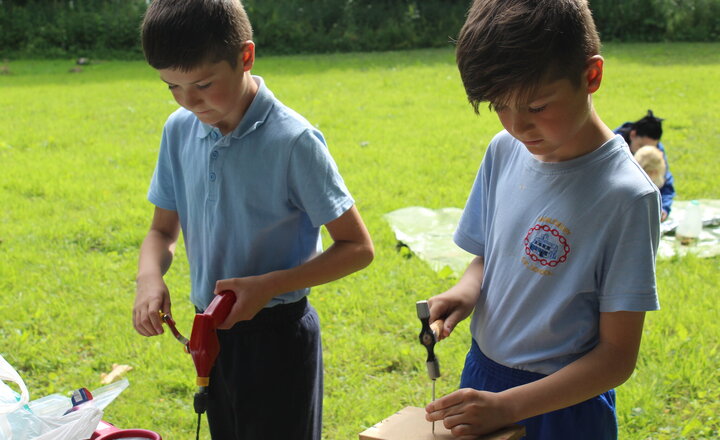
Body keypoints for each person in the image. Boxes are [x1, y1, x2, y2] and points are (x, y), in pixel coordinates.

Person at [132, 1, 374, 439]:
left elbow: (358, 248)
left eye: (203, 84)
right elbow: (161, 230)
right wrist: (149, 277)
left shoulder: (293, 141)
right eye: (172, 86)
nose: (189, 101)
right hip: (210, 331)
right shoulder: (179, 129)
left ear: (245, 57)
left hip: (277, 335)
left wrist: (269, 286)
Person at [423, 1, 661, 439]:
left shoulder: (626, 197)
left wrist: (509, 406)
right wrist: (465, 291)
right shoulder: (503, 150)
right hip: (484, 377)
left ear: (591, 76)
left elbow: (616, 357)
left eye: (536, 106)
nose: (518, 126)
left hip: (564, 404)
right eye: (500, 106)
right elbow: (488, 257)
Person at [615, 110, 675, 221]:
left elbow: (665, 181)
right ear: (633, 135)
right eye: (641, 147)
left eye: (651, 148)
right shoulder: (612, 145)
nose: (645, 153)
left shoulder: (655, 151)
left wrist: (664, 209)